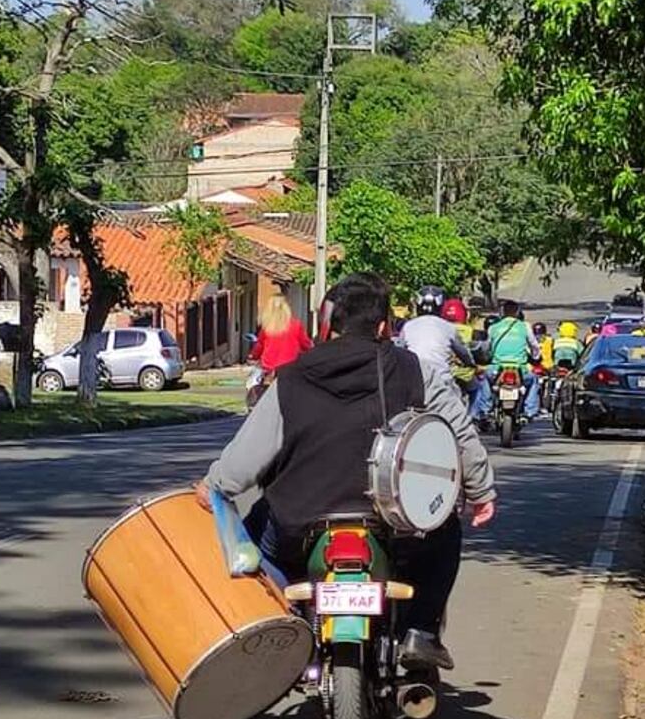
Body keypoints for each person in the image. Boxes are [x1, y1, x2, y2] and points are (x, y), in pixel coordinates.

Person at [197, 272, 496, 673]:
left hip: (298, 526)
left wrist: (214, 486)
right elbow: (460, 435)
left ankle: (289, 622)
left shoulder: (290, 379)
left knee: (250, 541)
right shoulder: (415, 372)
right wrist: (481, 491)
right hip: (396, 526)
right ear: (385, 326)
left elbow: (243, 461)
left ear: (327, 324)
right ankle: (421, 631)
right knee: (444, 534)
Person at [397, 286, 476, 389]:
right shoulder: (448, 327)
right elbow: (464, 353)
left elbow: (399, 350)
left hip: (414, 381)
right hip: (442, 381)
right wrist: (471, 363)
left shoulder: (408, 326)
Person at [485, 299, 541, 418]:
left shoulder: (493, 328)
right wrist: (536, 357)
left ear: (503, 312)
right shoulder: (524, 326)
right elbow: (534, 346)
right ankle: (529, 411)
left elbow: (487, 348)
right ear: (517, 312)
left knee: (483, 378)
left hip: (497, 368)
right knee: (533, 380)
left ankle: (485, 409)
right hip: (520, 369)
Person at [249, 290, 312, 371]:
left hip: (269, 368)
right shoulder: (296, 325)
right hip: (290, 368)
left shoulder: (266, 326)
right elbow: (306, 345)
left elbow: (259, 346)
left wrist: (253, 356)